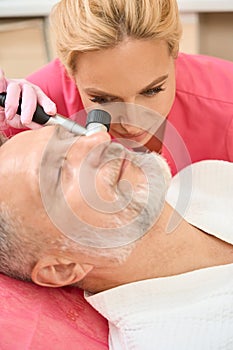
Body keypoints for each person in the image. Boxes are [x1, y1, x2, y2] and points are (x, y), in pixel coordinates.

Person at [0, 125, 233, 349]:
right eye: (59, 172)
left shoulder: (206, 176)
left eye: (72, 136)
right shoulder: (184, 340)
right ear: (63, 268)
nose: (99, 139)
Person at [0, 0, 233, 175]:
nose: (132, 122)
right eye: (102, 99)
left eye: (152, 90)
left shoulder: (226, 100)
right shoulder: (34, 109)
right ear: (70, 72)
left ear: (174, 54)